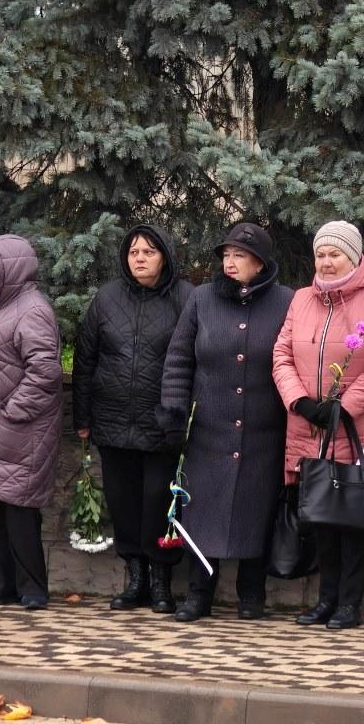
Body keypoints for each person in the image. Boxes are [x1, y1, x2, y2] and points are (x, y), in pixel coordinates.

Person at [273, 220, 364, 630]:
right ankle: (325, 600)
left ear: (354, 256)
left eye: (335, 254)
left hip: (356, 431)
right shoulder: (301, 299)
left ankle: (350, 603)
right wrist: (301, 401)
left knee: (352, 520)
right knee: (320, 518)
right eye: (320, 254)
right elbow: (281, 353)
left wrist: (344, 406)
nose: (326, 262)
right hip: (310, 428)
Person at [158, 222, 293, 622]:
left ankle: (251, 595)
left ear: (260, 262)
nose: (230, 263)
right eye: (226, 255)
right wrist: (173, 409)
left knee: (257, 509)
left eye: (240, 256)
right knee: (203, 512)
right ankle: (199, 595)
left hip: (264, 430)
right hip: (208, 430)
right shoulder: (202, 299)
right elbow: (179, 358)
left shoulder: (286, 301)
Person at [73, 225, 194, 613]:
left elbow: (196, 359)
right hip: (112, 420)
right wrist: (83, 416)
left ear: (165, 257)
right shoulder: (107, 299)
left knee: (159, 503)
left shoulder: (186, 298)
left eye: (149, 251)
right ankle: (135, 578)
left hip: (161, 424)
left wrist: (184, 416)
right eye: (133, 252)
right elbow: (86, 359)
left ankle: (161, 581)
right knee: (122, 502)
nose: (139, 258)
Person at [0, 235, 63, 610]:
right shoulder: (1, 309)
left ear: (11, 266)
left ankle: (33, 587)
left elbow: (44, 371)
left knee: (19, 512)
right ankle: (2, 583)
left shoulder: (31, 309)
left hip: (19, 432)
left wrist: (13, 411)